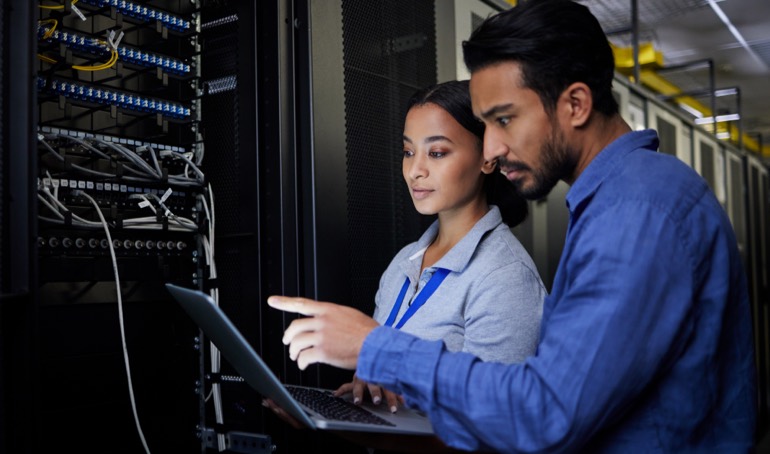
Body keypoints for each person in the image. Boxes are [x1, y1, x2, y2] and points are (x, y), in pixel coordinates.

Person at [268, 0, 757, 452]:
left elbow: (546, 413)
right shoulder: (620, 201)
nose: (492, 148)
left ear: (576, 104)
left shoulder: (638, 213)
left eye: (504, 120)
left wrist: (379, 348)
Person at [335, 80, 546, 412]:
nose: (415, 171)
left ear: (487, 159)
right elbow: (385, 387)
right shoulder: (403, 263)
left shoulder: (506, 276)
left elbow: (495, 420)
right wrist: (356, 405)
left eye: (436, 152)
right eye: (408, 152)